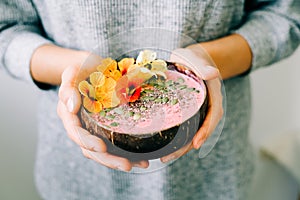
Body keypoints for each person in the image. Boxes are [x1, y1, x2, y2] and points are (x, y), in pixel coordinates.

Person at [0, 0, 299, 199]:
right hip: (78, 180)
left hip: (212, 178)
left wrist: (210, 60)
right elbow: (7, 28)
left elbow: (285, 14)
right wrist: (72, 69)